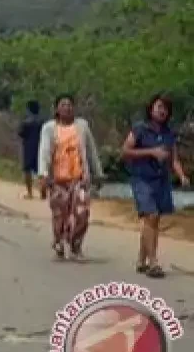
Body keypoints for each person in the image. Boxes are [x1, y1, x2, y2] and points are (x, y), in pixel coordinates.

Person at [121, 94, 190, 278]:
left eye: (165, 108)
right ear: (151, 108)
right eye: (159, 107)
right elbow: (126, 151)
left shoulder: (169, 133)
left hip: (161, 180)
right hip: (142, 178)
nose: (162, 111)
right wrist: (151, 152)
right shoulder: (140, 129)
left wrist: (181, 175)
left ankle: (141, 260)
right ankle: (153, 262)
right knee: (150, 215)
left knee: (153, 221)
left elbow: (173, 158)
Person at [37, 94, 104, 261]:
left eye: (69, 105)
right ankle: (58, 241)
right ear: (57, 109)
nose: (67, 108)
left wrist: (98, 173)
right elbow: (44, 152)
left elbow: (91, 150)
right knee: (60, 213)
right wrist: (43, 175)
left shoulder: (82, 126)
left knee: (82, 213)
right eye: (63, 105)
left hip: (79, 178)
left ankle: (75, 245)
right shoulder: (49, 128)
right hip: (57, 180)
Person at [18, 100, 45, 200]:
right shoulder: (43, 122)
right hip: (41, 148)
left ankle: (30, 193)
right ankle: (43, 193)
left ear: (28, 110)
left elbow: (20, 134)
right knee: (41, 170)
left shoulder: (26, 122)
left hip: (28, 148)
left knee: (27, 171)